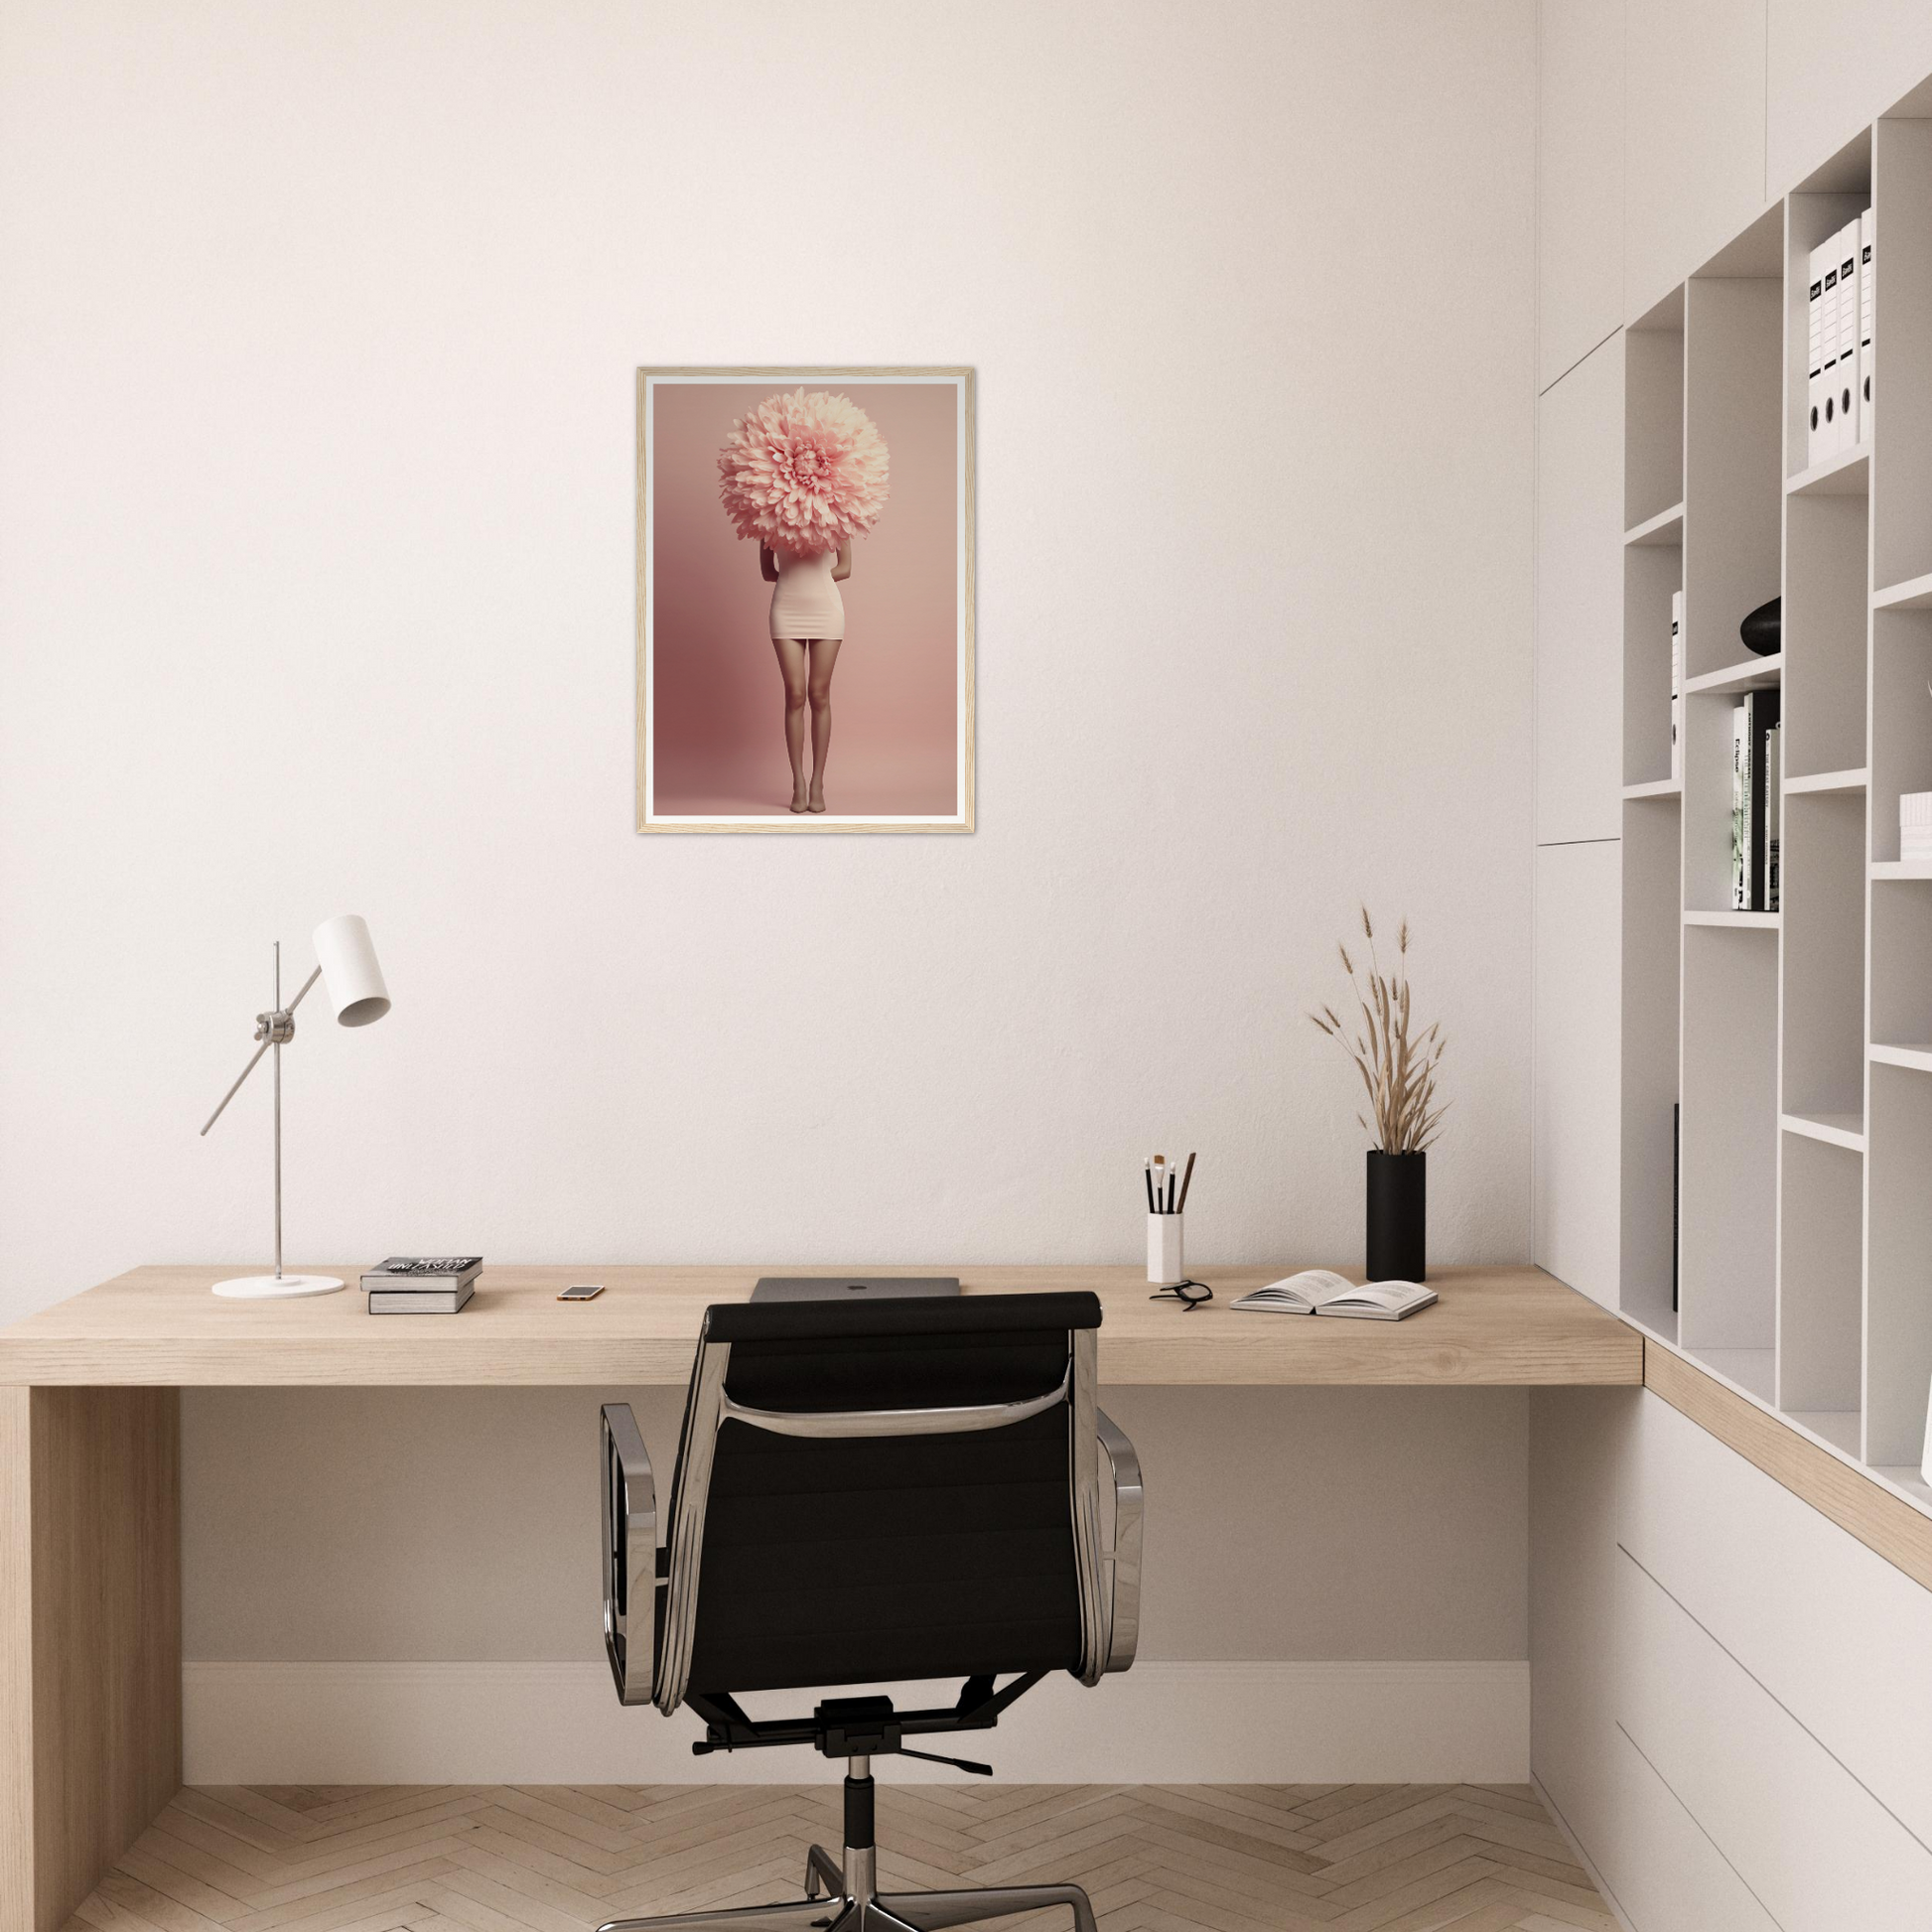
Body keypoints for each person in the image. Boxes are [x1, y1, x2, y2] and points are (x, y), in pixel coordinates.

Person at [760, 538, 852, 813]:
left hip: (827, 609)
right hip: (786, 609)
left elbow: (845, 567)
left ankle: (817, 783)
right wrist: (795, 582)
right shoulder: (769, 520)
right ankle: (798, 783)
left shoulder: (837, 516)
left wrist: (816, 580)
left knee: (819, 694)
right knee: (795, 694)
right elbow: (767, 572)